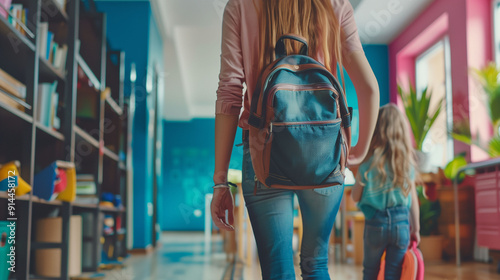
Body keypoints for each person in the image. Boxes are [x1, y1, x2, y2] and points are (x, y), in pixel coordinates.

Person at [212, 0, 379, 279]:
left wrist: (220, 181)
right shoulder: (334, 5)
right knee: (316, 263)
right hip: (325, 151)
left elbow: (228, 93)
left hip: (263, 153)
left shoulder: (239, 6)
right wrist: (359, 150)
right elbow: (369, 88)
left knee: (277, 267)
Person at [351, 104, 421, 280]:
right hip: (401, 225)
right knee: (393, 274)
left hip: (375, 223)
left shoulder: (368, 162)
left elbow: (355, 196)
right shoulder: (406, 164)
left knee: (370, 271)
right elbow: (412, 200)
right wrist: (417, 229)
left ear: (376, 130)